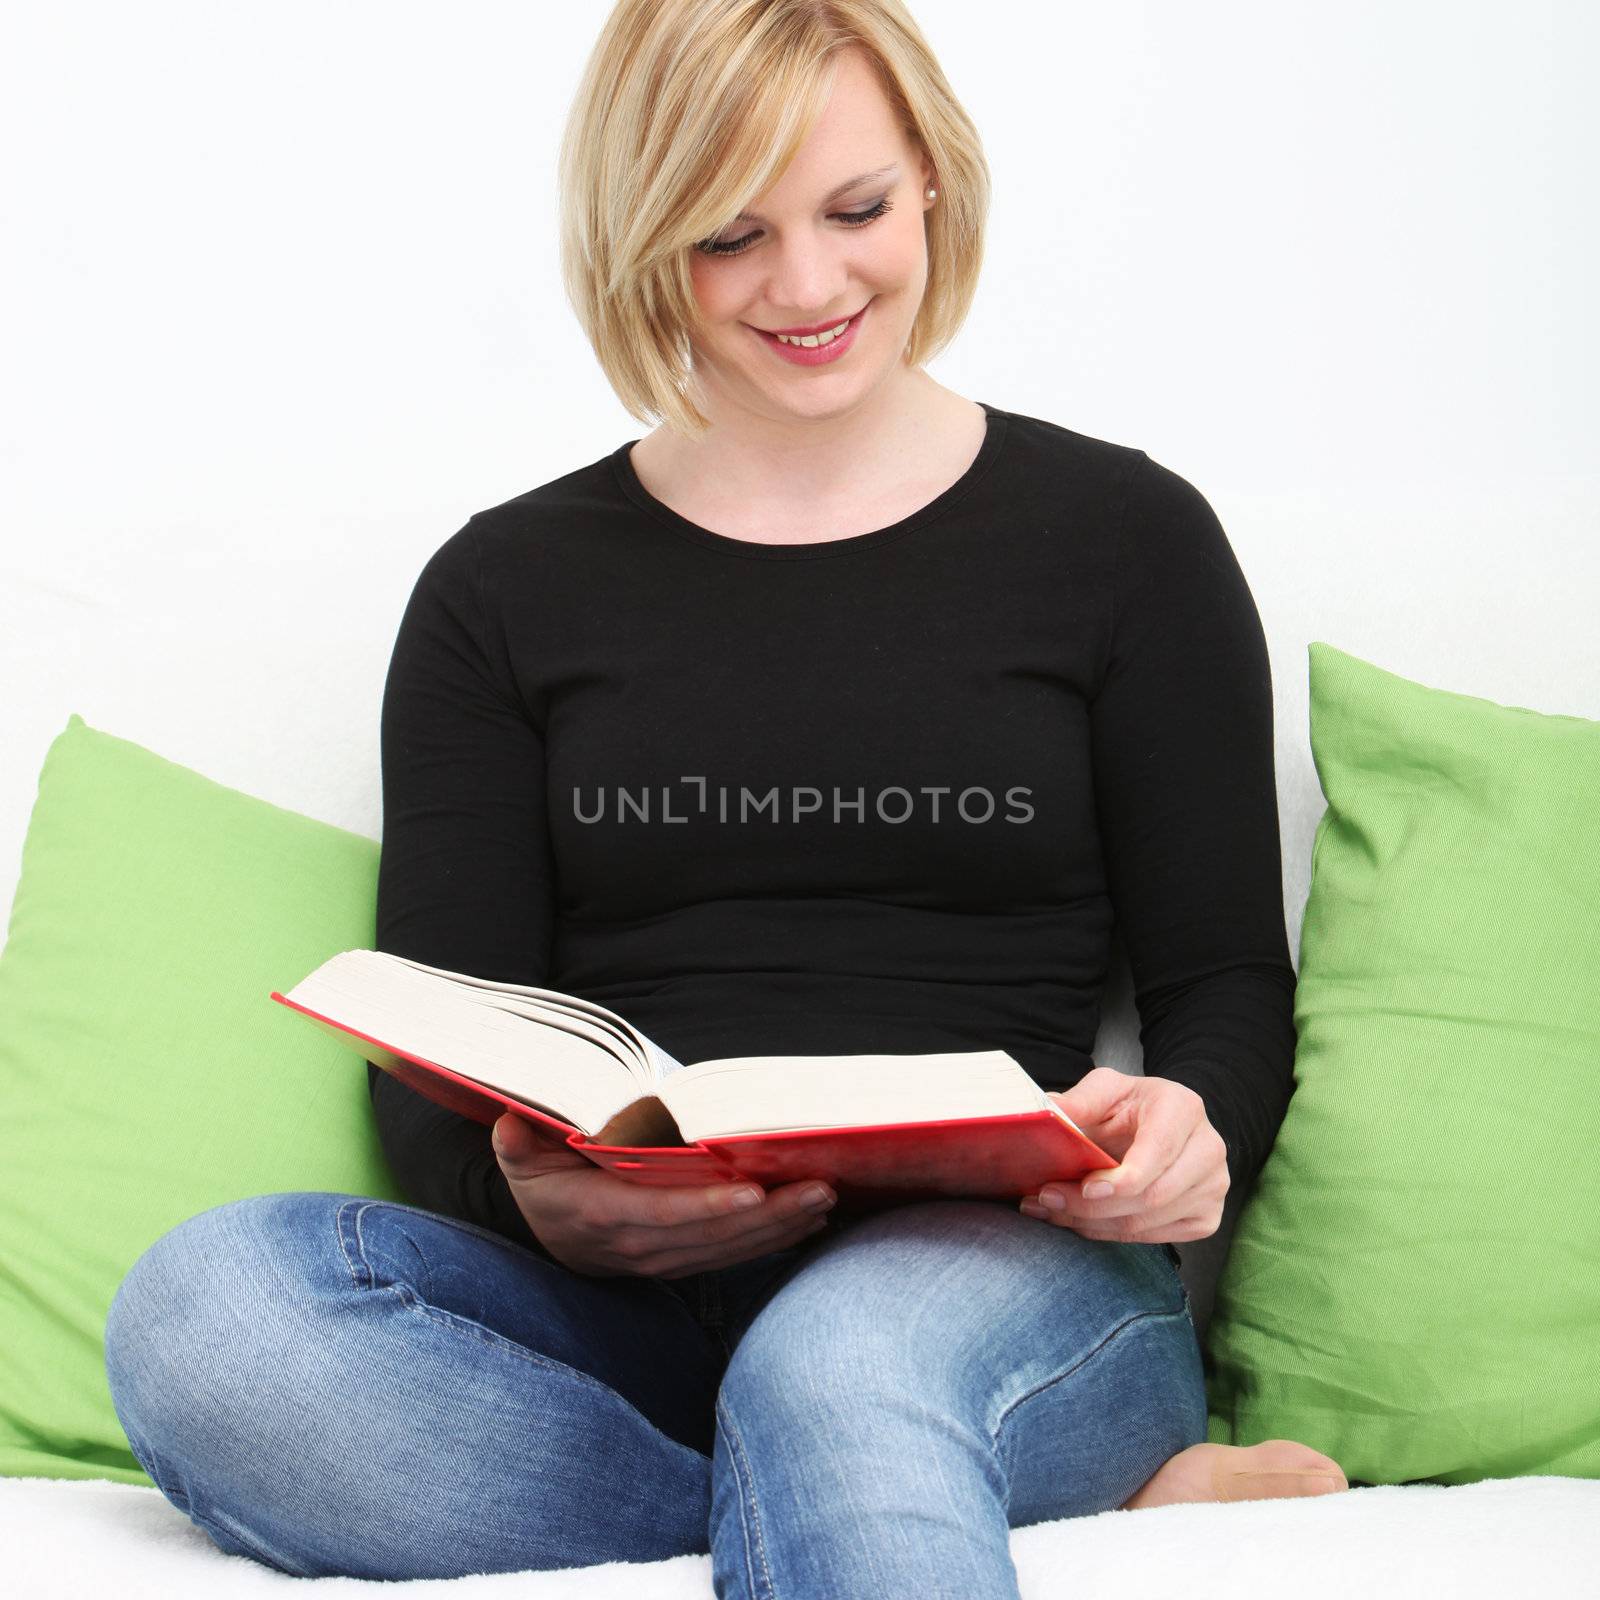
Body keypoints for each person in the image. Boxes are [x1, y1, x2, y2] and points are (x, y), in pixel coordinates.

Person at [102, 1, 1349, 1592]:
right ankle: (869, 1503)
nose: (810, 286)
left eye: (857, 210)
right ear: (640, 242)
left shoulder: (1128, 541)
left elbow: (1225, 983)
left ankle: (856, 1461)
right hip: (627, 1312)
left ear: (935, 191)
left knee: (840, 1369)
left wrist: (1195, 1127)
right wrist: (539, 1209)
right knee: (214, 1311)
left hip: (991, 1288)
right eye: (729, 235)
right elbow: (437, 1042)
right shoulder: (505, 588)